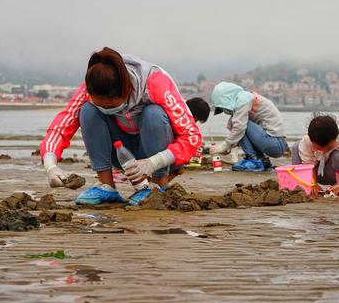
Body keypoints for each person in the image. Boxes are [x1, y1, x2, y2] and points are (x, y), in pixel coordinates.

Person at [39, 47, 202, 205]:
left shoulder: (155, 81)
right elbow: (61, 126)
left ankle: (158, 185)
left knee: (153, 113)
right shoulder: (91, 88)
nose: (107, 109)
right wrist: (51, 166)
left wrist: (153, 163)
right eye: (102, 106)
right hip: (123, 153)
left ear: (126, 90)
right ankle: (106, 186)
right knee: (88, 110)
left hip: (165, 155)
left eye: (111, 105)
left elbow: (192, 137)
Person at [209, 82, 287, 172]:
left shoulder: (243, 100)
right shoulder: (245, 97)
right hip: (275, 142)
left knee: (235, 122)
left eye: (222, 108)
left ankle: (253, 160)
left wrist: (225, 145)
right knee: (235, 122)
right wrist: (232, 144)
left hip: (275, 143)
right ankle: (261, 160)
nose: (224, 111)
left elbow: (239, 127)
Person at [291, 114, 339, 196]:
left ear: (335, 138)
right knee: (297, 146)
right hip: (316, 172)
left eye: (329, 147)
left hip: (334, 173)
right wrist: (313, 184)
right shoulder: (308, 141)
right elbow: (308, 166)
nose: (324, 150)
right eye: (319, 148)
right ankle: (301, 184)